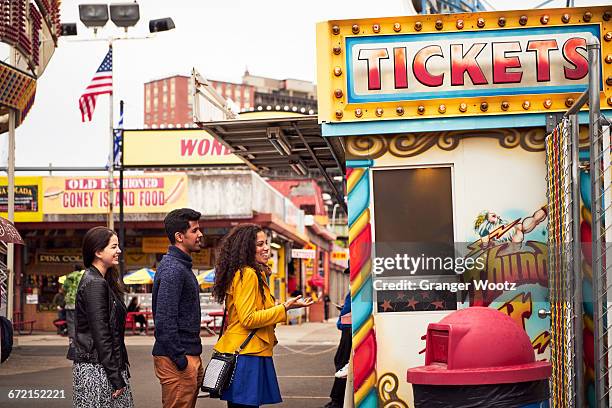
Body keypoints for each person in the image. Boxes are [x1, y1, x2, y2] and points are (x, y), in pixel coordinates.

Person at [213, 223, 314, 408]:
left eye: (266, 243)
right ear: (246, 248)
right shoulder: (248, 274)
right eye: (260, 244)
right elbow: (249, 318)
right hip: (247, 354)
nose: (266, 248)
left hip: (249, 351)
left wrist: (285, 307)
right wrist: (283, 308)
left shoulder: (252, 273)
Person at [73, 226, 133, 408]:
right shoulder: (95, 284)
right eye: (113, 247)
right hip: (97, 370)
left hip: (104, 366)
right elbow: (101, 334)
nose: (119, 251)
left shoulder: (102, 280)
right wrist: (115, 377)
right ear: (98, 251)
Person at [152, 208, 204, 408]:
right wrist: (181, 360)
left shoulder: (181, 266)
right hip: (177, 359)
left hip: (186, 354)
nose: (200, 235)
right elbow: (164, 320)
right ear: (179, 237)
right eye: (195, 230)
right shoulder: (173, 269)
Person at [323, 268, 352, 408]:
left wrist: (340, 322)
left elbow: (346, 314)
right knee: (343, 363)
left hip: (349, 330)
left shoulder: (355, 289)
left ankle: (337, 401)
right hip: (351, 329)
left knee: (342, 364)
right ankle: (338, 399)